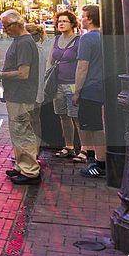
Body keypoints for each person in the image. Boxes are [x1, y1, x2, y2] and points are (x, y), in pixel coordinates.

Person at [0, 9, 41, 184]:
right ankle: (22, 165)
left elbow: (23, 73)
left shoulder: (24, 43)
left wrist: (1, 75)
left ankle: (30, 170)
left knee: (22, 131)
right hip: (16, 94)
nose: (5, 30)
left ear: (17, 23)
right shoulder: (20, 41)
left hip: (21, 94)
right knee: (18, 131)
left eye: (6, 26)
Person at [75, 4, 107, 179]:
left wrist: (77, 91)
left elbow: (82, 67)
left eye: (83, 16)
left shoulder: (86, 39)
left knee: (92, 127)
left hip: (90, 88)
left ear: (91, 19)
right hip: (103, 86)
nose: (81, 19)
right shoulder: (106, 37)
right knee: (96, 125)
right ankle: (96, 159)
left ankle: (98, 162)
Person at [47, 11, 82, 160]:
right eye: (59, 21)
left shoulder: (79, 40)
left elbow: (82, 63)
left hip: (72, 83)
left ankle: (85, 148)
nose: (61, 23)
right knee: (63, 116)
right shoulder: (55, 40)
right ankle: (69, 146)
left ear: (72, 24)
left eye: (65, 21)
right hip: (58, 83)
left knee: (76, 116)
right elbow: (50, 60)